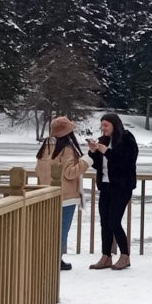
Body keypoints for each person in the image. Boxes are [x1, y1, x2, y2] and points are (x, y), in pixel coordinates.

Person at [34, 117, 91, 271]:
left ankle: (46, 257)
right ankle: (56, 259)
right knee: (61, 230)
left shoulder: (45, 145)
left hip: (46, 193)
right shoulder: (66, 148)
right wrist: (87, 160)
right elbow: (70, 173)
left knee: (48, 228)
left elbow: (38, 170)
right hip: (66, 196)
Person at [87, 113, 138, 270]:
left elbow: (127, 162)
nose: (103, 129)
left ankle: (125, 255)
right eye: (102, 125)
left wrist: (107, 152)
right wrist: (93, 152)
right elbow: (98, 165)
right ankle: (106, 256)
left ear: (114, 125)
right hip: (105, 186)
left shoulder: (127, 139)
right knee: (104, 222)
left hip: (122, 187)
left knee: (114, 221)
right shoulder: (103, 140)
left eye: (106, 125)